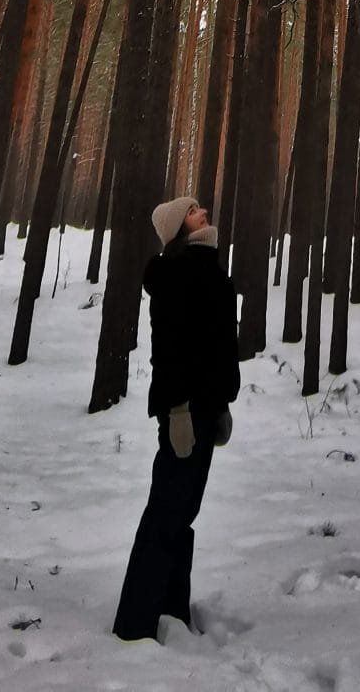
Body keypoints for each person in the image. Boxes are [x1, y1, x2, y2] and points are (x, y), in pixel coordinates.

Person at [112, 196, 241, 642]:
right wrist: (178, 409)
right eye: (191, 211)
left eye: (200, 207)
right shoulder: (175, 275)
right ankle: (135, 623)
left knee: (184, 512)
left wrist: (222, 402)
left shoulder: (209, 268)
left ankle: (171, 608)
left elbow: (218, 346)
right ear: (177, 228)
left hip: (206, 408)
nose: (202, 210)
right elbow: (171, 350)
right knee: (165, 513)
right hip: (182, 411)